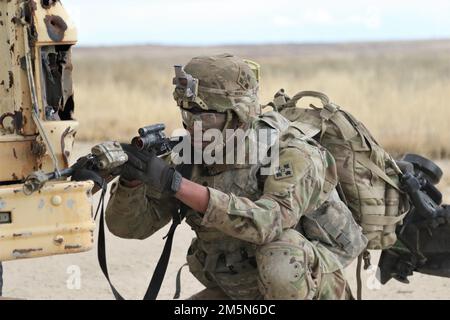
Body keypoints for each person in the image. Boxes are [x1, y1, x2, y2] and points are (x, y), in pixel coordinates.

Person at [105, 54, 367, 300]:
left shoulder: (289, 151)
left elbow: (269, 222)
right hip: (245, 286)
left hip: (309, 281)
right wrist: (132, 182)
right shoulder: (189, 157)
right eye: (188, 115)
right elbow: (129, 227)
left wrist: (177, 185)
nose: (194, 128)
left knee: (281, 257)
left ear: (239, 116)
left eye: (206, 117)